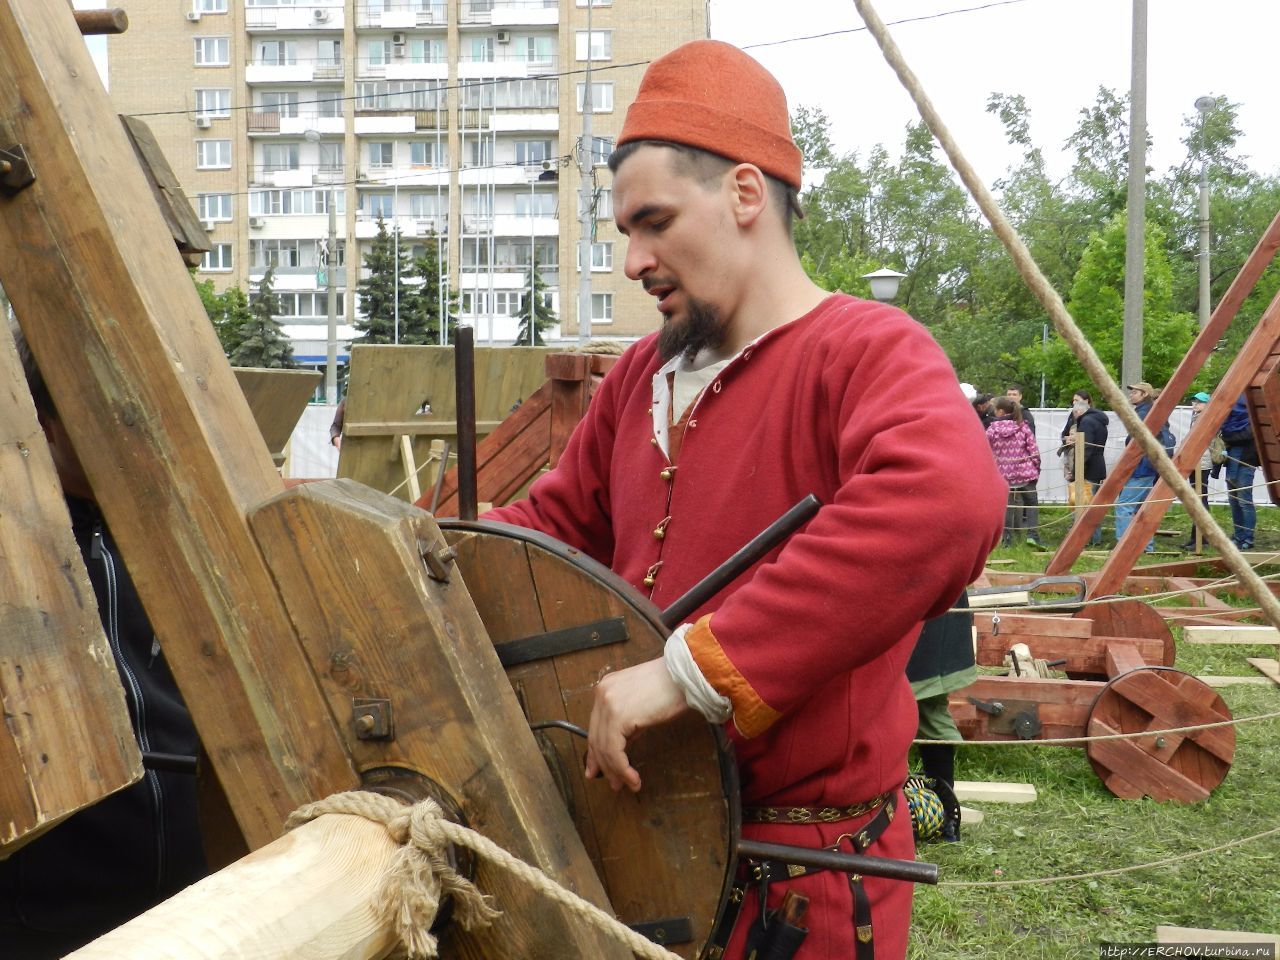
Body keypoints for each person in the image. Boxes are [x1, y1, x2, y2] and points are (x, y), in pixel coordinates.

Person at [479, 39, 1006, 960]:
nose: (635, 259)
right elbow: (548, 533)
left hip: (799, 883)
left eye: (655, 221)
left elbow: (948, 499)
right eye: (625, 232)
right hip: (635, 851)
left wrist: (693, 672)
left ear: (746, 195)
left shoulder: (866, 349)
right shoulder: (643, 371)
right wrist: (407, 548)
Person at [1, 324, 207, 957]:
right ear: (45, 422)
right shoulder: (19, 543)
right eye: (103, 410)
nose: (132, 428)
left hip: (190, 897)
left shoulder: (177, 534)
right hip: (52, 914)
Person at [1115, 382, 1174, 554]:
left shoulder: (1144, 413)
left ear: (1145, 395)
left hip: (1142, 467)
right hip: (1152, 466)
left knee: (1124, 506)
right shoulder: (1154, 412)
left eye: (1135, 392)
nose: (1131, 395)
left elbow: (1135, 441)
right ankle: (1145, 546)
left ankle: (1124, 547)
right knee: (1144, 509)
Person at [986, 397, 1041, 547]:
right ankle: (1033, 535)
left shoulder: (992, 430)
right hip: (1025, 473)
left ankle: (1007, 540)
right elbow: (1033, 451)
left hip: (1004, 476)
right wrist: (1036, 468)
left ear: (1000, 412)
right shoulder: (1023, 427)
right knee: (1031, 503)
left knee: (1007, 508)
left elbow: (985, 451)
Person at [1059, 389, 1109, 545]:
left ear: (1080, 410)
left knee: (1085, 504)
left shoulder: (1086, 422)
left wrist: (1076, 471)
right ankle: (1094, 538)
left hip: (1088, 468)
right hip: (1097, 465)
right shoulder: (1098, 420)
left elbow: (1085, 449)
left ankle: (1086, 539)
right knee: (1092, 504)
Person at [1221, 395, 1259, 550]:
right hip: (1231, 461)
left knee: (1244, 501)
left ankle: (1248, 538)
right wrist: (1228, 437)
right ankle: (1238, 536)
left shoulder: (1252, 418)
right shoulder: (1229, 421)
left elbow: (1246, 436)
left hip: (1246, 461)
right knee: (1234, 501)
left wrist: (1228, 438)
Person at [1179, 391, 1214, 551]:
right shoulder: (1196, 418)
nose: (1195, 404)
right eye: (1194, 401)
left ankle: (1202, 538)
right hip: (1196, 462)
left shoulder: (1206, 418)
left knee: (1200, 500)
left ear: (1207, 404)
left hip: (1202, 463)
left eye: (1199, 402)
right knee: (1197, 500)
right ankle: (1197, 537)